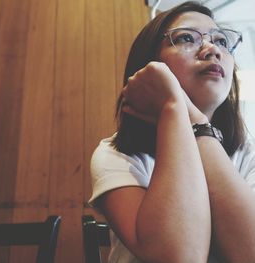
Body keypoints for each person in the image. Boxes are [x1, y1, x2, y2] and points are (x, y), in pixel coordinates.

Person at [89, 1, 255, 263]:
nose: (212, 49)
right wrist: (173, 108)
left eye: (222, 41)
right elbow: (179, 257)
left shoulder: (247, 153)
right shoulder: (116, 155)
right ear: (149, 66)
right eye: (187, 38)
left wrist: (192, 117)